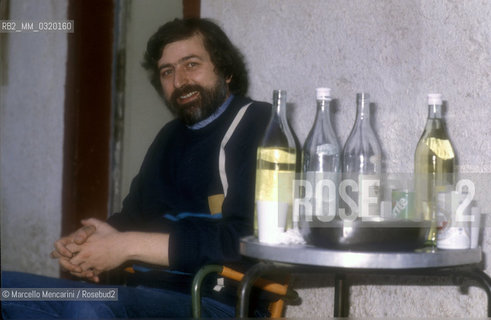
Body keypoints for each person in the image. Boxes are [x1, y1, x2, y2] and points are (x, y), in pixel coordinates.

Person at [2, 18, 272, 318]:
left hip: (213, 302)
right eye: (167, 72)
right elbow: (134, 218)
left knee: (87, 308)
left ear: (226, 70)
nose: (179, 81)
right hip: (141, 296)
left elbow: (248, 240)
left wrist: (125, 246)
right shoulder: (170, 136)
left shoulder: (258, 124)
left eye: (191, 64)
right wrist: (94, 241)